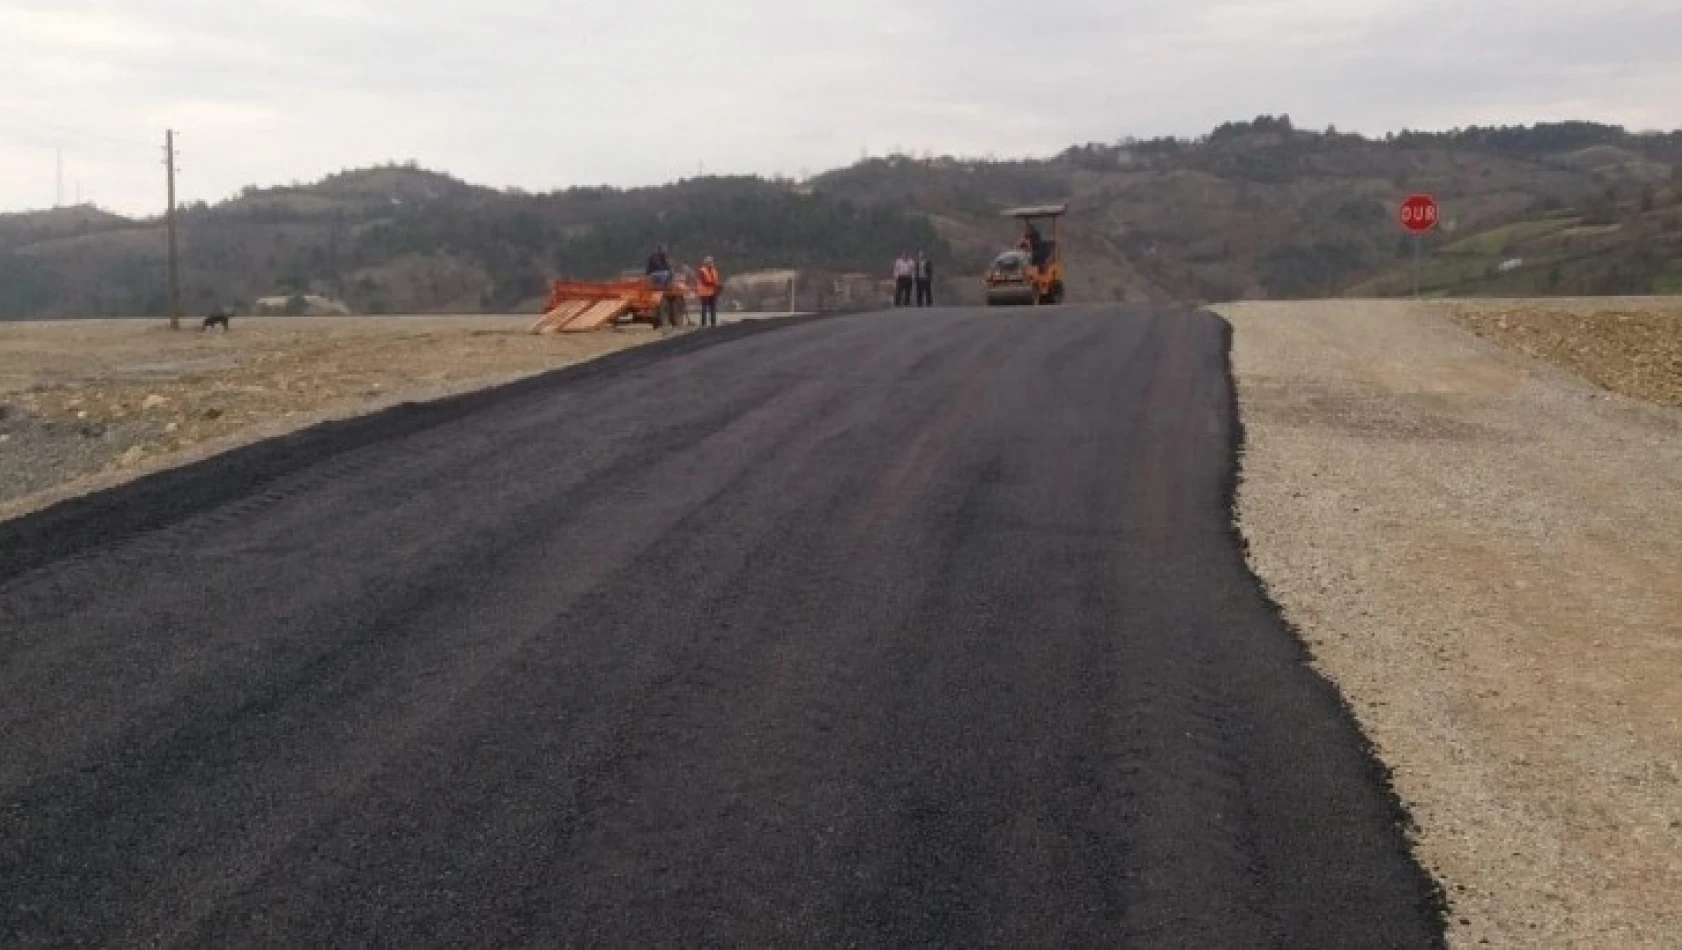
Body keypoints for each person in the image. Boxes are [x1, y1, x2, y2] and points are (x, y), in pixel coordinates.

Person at [696, 256, 722, 328]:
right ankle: (703, 324)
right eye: (709, 262)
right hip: (704, 293)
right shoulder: (702, 270)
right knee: (704, 308)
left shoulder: (714, 270)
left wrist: (718, 287)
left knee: (713, 308)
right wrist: (715, 284)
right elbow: (705, 281)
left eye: (711, 262)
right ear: (705, 263)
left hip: (713, 292)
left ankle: (713, 323)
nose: (710, 263)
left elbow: (716, 280)